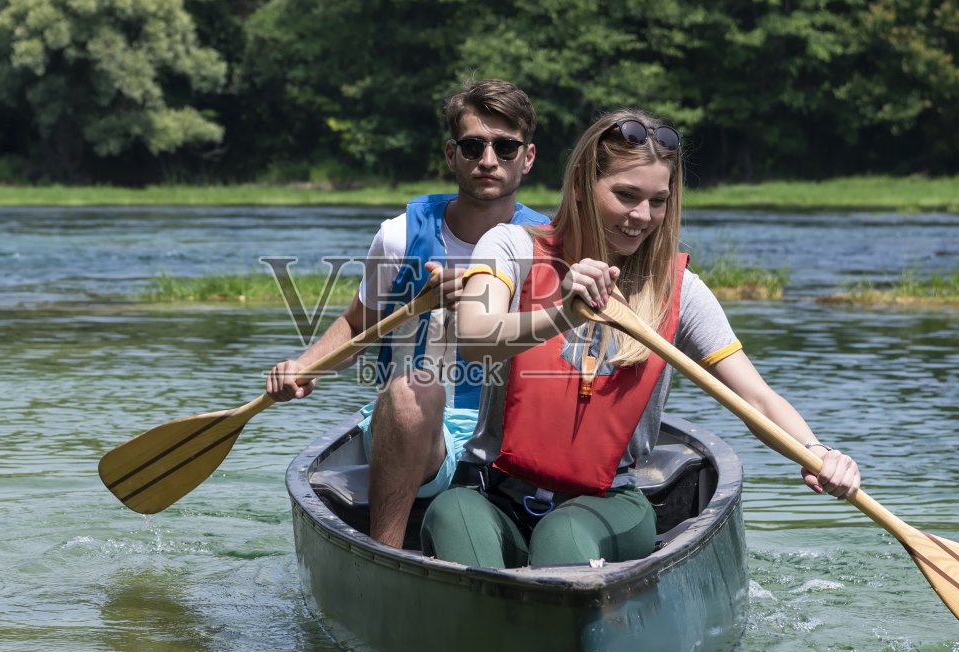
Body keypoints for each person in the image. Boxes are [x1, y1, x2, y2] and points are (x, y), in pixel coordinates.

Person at [421, 108, 861, 568]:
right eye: (626, 195)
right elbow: (473, 337)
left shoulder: (680, 290)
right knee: (453, 515)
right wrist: (563, 313)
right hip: (492, 491)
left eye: (658, 200)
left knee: (564, 536)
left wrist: (817, 452)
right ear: (580, 187)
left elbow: (756, 397)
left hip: (608, 503)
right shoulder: (509, 246)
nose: (642, 216)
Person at [265, 80, 549, 549]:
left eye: (505, 146)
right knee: (411, 389)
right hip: (415, 427)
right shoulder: (399, 237)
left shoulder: (549, 244)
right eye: (474, 145)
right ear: (451, 154)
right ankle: (386, 558)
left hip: (508, 435)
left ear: (529, 156)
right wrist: (304, 366)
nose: (489, 159)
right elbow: (357, 324)